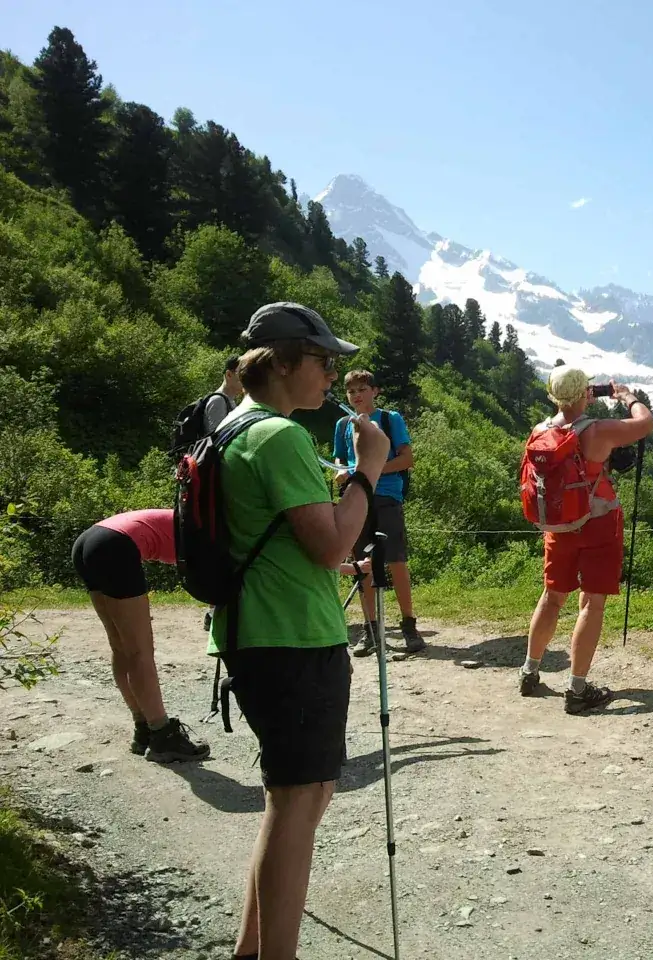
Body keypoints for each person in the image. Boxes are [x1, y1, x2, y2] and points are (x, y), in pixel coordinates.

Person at [210, 301, 389, 960]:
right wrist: (369, 469)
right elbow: (329, 544)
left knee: (294, 799)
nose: (332, 374)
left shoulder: (233, 426)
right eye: (323, 360)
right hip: (291, 638)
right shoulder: (279, 436)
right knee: (299, 801)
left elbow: (282, 537)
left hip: (254, 629)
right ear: (283, 363)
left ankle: (250, 949)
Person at [519, 367, 653, 714]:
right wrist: (627, 397)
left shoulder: (539, 432)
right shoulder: (597, 431)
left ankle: (530, 671)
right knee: (592, 604)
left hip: (559, 527)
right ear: (584, 393)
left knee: (552, 597)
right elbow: (645, 423)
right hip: (599, 525)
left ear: (553, 395)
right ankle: (577, 689)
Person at [70, 509, 210, 763]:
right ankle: (162, 734)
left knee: (121, 646)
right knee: (139, 651)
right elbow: (209, 584)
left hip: (88, 542)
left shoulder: (197, 522)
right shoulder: (214, 536)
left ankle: (143, 728)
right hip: (115, 545)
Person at [332, 370, 421, 655]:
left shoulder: (390, 419)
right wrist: (341, 470)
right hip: (356, 496)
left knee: (396, 560)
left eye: (362, 389)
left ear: (375, 391)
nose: (356, 395)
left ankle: (409, 626)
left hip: (386, 496)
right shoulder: (343, 424)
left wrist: (370, 469)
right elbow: (340, 457)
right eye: (351, 391)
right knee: (362, 564)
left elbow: (407, 459)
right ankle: (371, 630)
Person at [203, 354, 244, 436]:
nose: (247, 378)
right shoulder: (218, 401)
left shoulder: (229, 401)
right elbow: (217, 438)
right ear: (229, 375)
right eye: (242, 374)